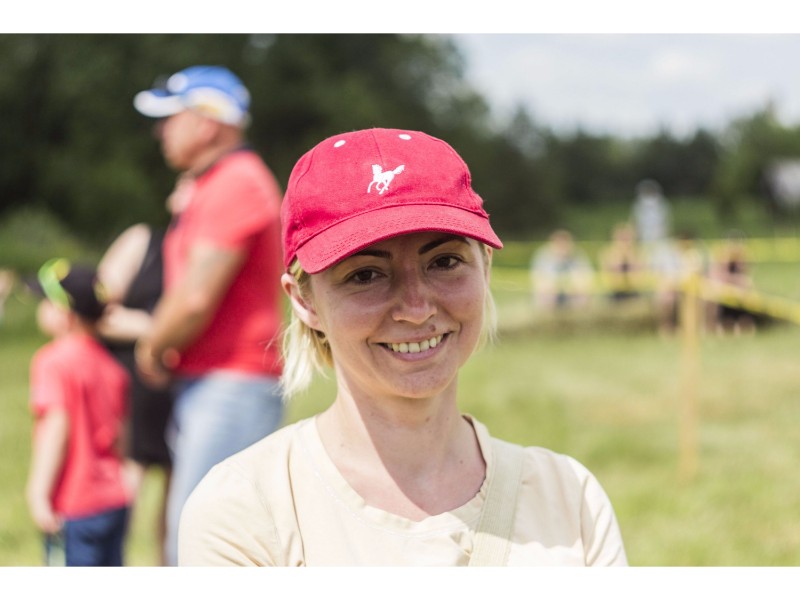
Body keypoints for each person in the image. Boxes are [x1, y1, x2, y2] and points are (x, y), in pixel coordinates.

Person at [178, 128, 628, 566]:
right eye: (365, 275)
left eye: (444, 261)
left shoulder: (570, 501)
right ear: (304, 301)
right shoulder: (245, 511)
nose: (415, 308)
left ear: (485, 269)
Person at [131, 65, 285, 566]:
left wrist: (151, 347)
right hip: (211, 382)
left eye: (171, 118)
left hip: (231, 385)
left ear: (207, 123)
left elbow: (195, 297)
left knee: (202, 546)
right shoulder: (214, 183)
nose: (161, 131)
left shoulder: (236, 184)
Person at [25, 258, 131, 566]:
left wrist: (38, 492)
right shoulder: (112, 366)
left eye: (45, 301)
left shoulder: (52, 361)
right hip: (114, 499)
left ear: (64, 314)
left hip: (74, 505)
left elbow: (57, 428)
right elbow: (122, 435)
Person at [96, 221, 174, 566]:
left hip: (182, 386)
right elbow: (97, 308)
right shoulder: (143, 241)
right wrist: (160, 328)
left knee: (179, 495)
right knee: (127, 478)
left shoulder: (206, 249)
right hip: (131, 385)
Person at [530, 228, 595, 310]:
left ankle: (578, 316)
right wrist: (553, 287)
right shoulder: (543, 256)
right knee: (546, 296)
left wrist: (574, 287)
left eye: (565, 242)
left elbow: (586, 278)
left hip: (572, 293)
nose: (562, 246)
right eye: (559, 243)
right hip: (551, 293)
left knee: (582, 296)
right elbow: (538, 280)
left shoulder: (578, 256)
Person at [597, 222, 647, 303]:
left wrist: (630, 257)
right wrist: (618, 257)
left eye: (627, 238)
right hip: (613, 296)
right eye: (621, 238)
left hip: (634, 295)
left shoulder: (639, 254)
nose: (624, 242)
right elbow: (614, 283)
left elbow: (637, 283)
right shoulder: (607, 254)